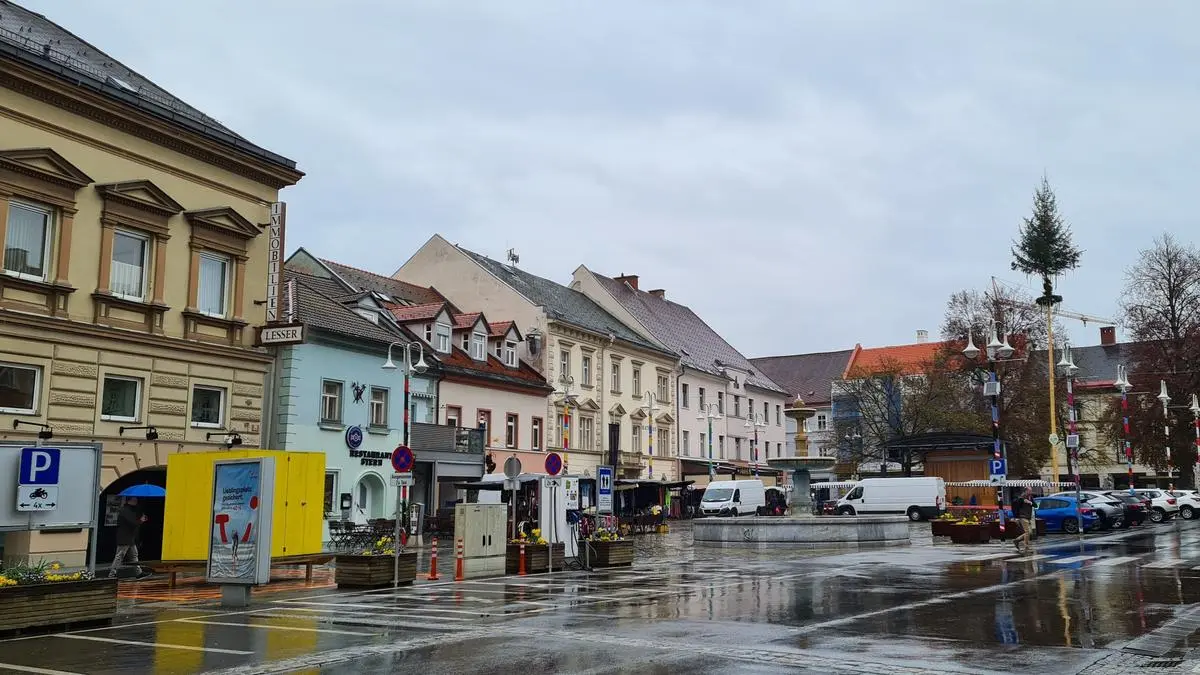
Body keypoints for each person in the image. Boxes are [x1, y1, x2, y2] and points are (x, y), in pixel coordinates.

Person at [109, 497, 151, 579]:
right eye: (134, 500)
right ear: (129, 501)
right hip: (124, 538)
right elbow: (133, 523)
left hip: (130, 538)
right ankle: (112, 574)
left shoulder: (131, 510)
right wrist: (141, 520)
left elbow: (134, 522)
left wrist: (141, 519)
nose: (136, 501)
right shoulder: (125, 510)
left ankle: (138, 573)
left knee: (134, 555)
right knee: (119, 556)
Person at [1012, 488, 1036, 555]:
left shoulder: (1030, 497)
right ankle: (1026, 546)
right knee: (1027, 532)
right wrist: (1016, 518)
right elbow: (1016, 507)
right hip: (1022, 517)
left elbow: (1035, 505)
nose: (1031, 492)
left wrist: (1030, 502)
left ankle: (1016, 540)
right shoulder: (1020, 498)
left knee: (1030, 532)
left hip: (1028, 517)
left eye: (1031, 490)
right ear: (1025, 491)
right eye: (1029, 491)